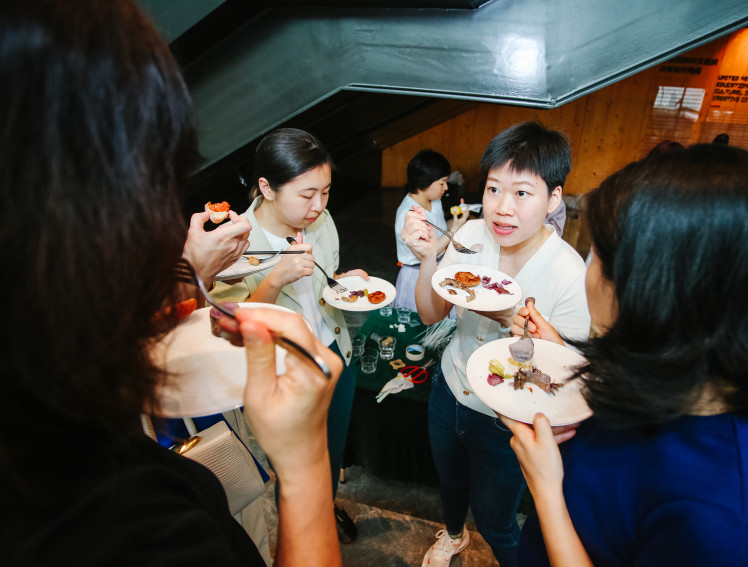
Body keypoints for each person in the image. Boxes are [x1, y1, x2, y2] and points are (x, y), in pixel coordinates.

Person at [0, 1, 343, 565]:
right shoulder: (125, 520)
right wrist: (306, 465)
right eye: (153, 185)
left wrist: (191, 272)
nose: (166, 221)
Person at [502, 144, 748, 566]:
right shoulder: (678, 374)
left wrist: (546, 491)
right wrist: (565, 357)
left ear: (657, 291)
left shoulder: (735, 525)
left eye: (598, 257)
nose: (589, 274)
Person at [401, 122, 591, 566]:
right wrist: (429, 255)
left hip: (509, 417)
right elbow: (432, 314)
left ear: (554, 198)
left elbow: (565, 377)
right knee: (449, 484)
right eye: (493, 189)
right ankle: (452, 535)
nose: (502, 209)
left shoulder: (569, 274)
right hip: (450, 388)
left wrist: (510, 321)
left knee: (496, 518)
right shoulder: (468, 238)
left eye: (522, 193)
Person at [210, 128, 365, 544]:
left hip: (335, 351)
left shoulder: (321, 220)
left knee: (331, 449)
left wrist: (346, 281)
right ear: (267, 188)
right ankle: (298, 536)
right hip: (282, 370)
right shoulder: (234, 241)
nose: (319, 206)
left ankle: (325, 510)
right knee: (293, 463)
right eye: (307, 194)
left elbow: (325, 286)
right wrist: (276, 278)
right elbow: (230, 326)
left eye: (326, 192)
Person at [394, 150, 470, 311]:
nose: (446, 187)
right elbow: (427, 254)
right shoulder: (409, 215)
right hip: (417, 276)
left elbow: (439, 229)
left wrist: (458, 221)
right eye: (442, 182)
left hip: (437, 268)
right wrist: (454, 229)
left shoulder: (434, 200)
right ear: (424, 182)